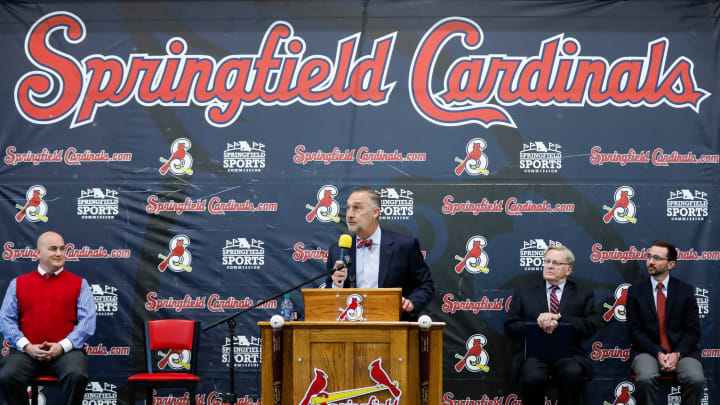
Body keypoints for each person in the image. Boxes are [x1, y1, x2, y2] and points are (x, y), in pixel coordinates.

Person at [0, 231, 96, 405]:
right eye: (53, 249)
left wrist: (61, 346)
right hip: (26, 353)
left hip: (67, 353)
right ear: (38, 253)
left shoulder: (80, 284)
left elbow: (87, 323)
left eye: (62, 249)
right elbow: (6, 321)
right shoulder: (18, 283)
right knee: (8, 376)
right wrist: (27, 346)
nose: (59, 253)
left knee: (76, 375)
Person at [504, 245, 600, 405]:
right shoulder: (524, 292)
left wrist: (560, 319)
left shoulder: (583, 293)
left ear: (568, 269)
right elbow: (510, 326)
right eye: (547, 261)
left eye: (556, 263)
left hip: (568, 354)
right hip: (534, 355)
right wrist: (538, 324)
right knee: (532, 377)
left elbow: (590, 325)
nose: (549, 266)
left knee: (573, 373)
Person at [325, 187, 434, 321]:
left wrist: (411, 302)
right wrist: (337, 285)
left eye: (357, 208)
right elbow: (329, 294)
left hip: (394, 327)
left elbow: (425, 285)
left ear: (375, 212)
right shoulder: (337, 250)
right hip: (350, 329)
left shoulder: (404, 246)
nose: (349, 214)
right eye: (348, 208)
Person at [625, 240, 705, 405]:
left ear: (671, 264)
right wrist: (658, 353)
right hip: (647, 351)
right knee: (646, 378)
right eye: (649, 257)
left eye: (657, 258)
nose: (651, 262)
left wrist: (676, 354)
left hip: (682, 353)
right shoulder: (635, 291)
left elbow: (692, 331)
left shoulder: (685, 291)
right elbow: (635, 331)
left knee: (695, 379)